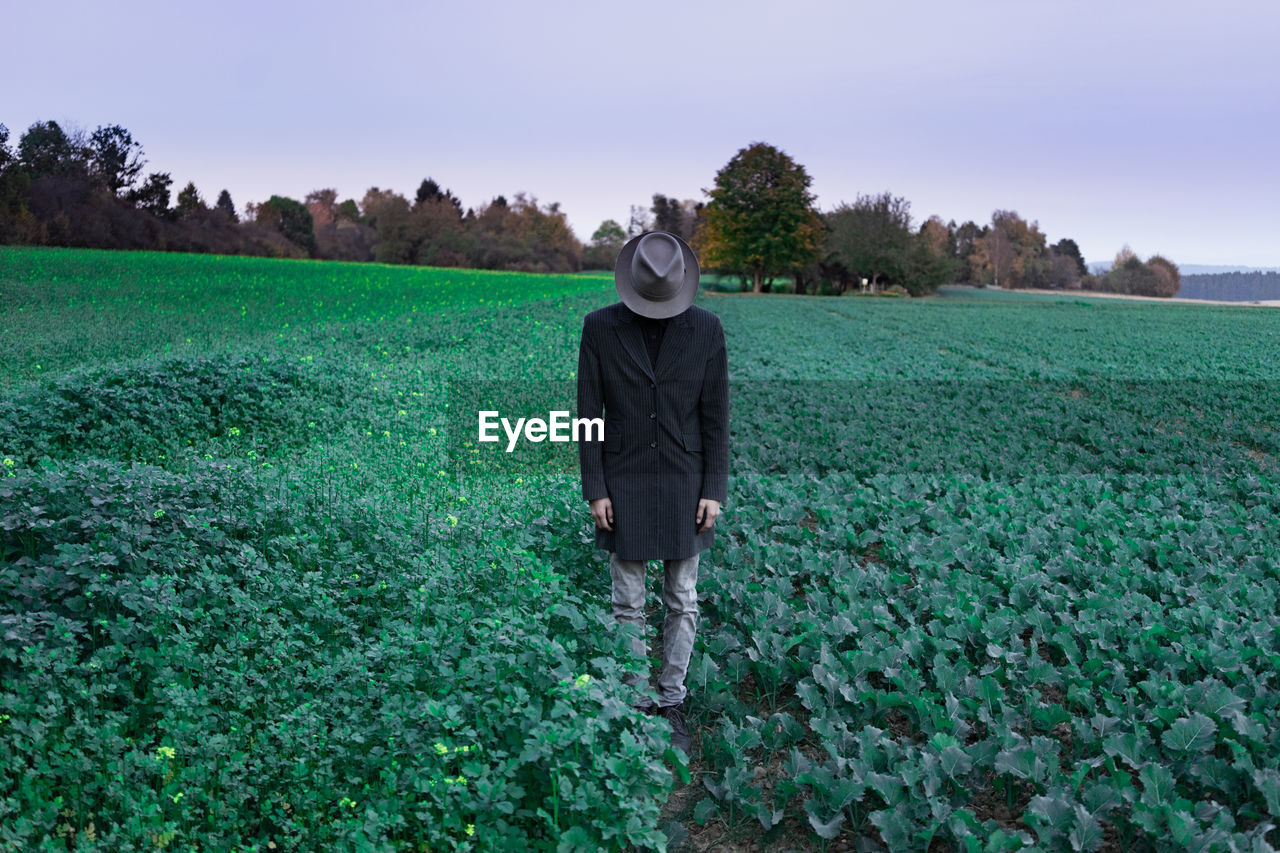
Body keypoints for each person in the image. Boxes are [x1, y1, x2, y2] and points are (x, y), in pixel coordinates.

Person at [575, 230, 730, 757]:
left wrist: (715, 488)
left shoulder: (708, 330)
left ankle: (672, 699)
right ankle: (635, 702)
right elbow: (586, 417)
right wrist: (594, 487)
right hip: (623, 479)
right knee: (628, 601)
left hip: (688, 481)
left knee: (682, 599)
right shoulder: (598, 328)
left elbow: (716, 418)